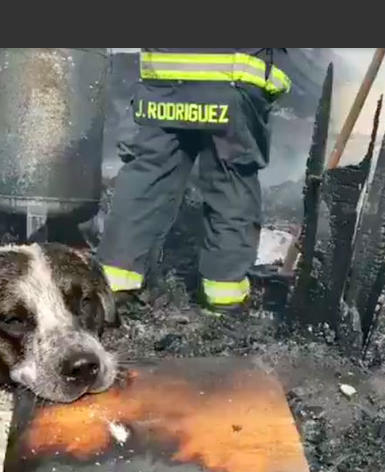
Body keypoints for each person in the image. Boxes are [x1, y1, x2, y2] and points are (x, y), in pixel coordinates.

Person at [97, 48, 291, 315]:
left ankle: (114, 285)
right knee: (231, 182)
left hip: (163, 79)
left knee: (148, 178)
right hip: (233, 79)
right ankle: (224, 299)